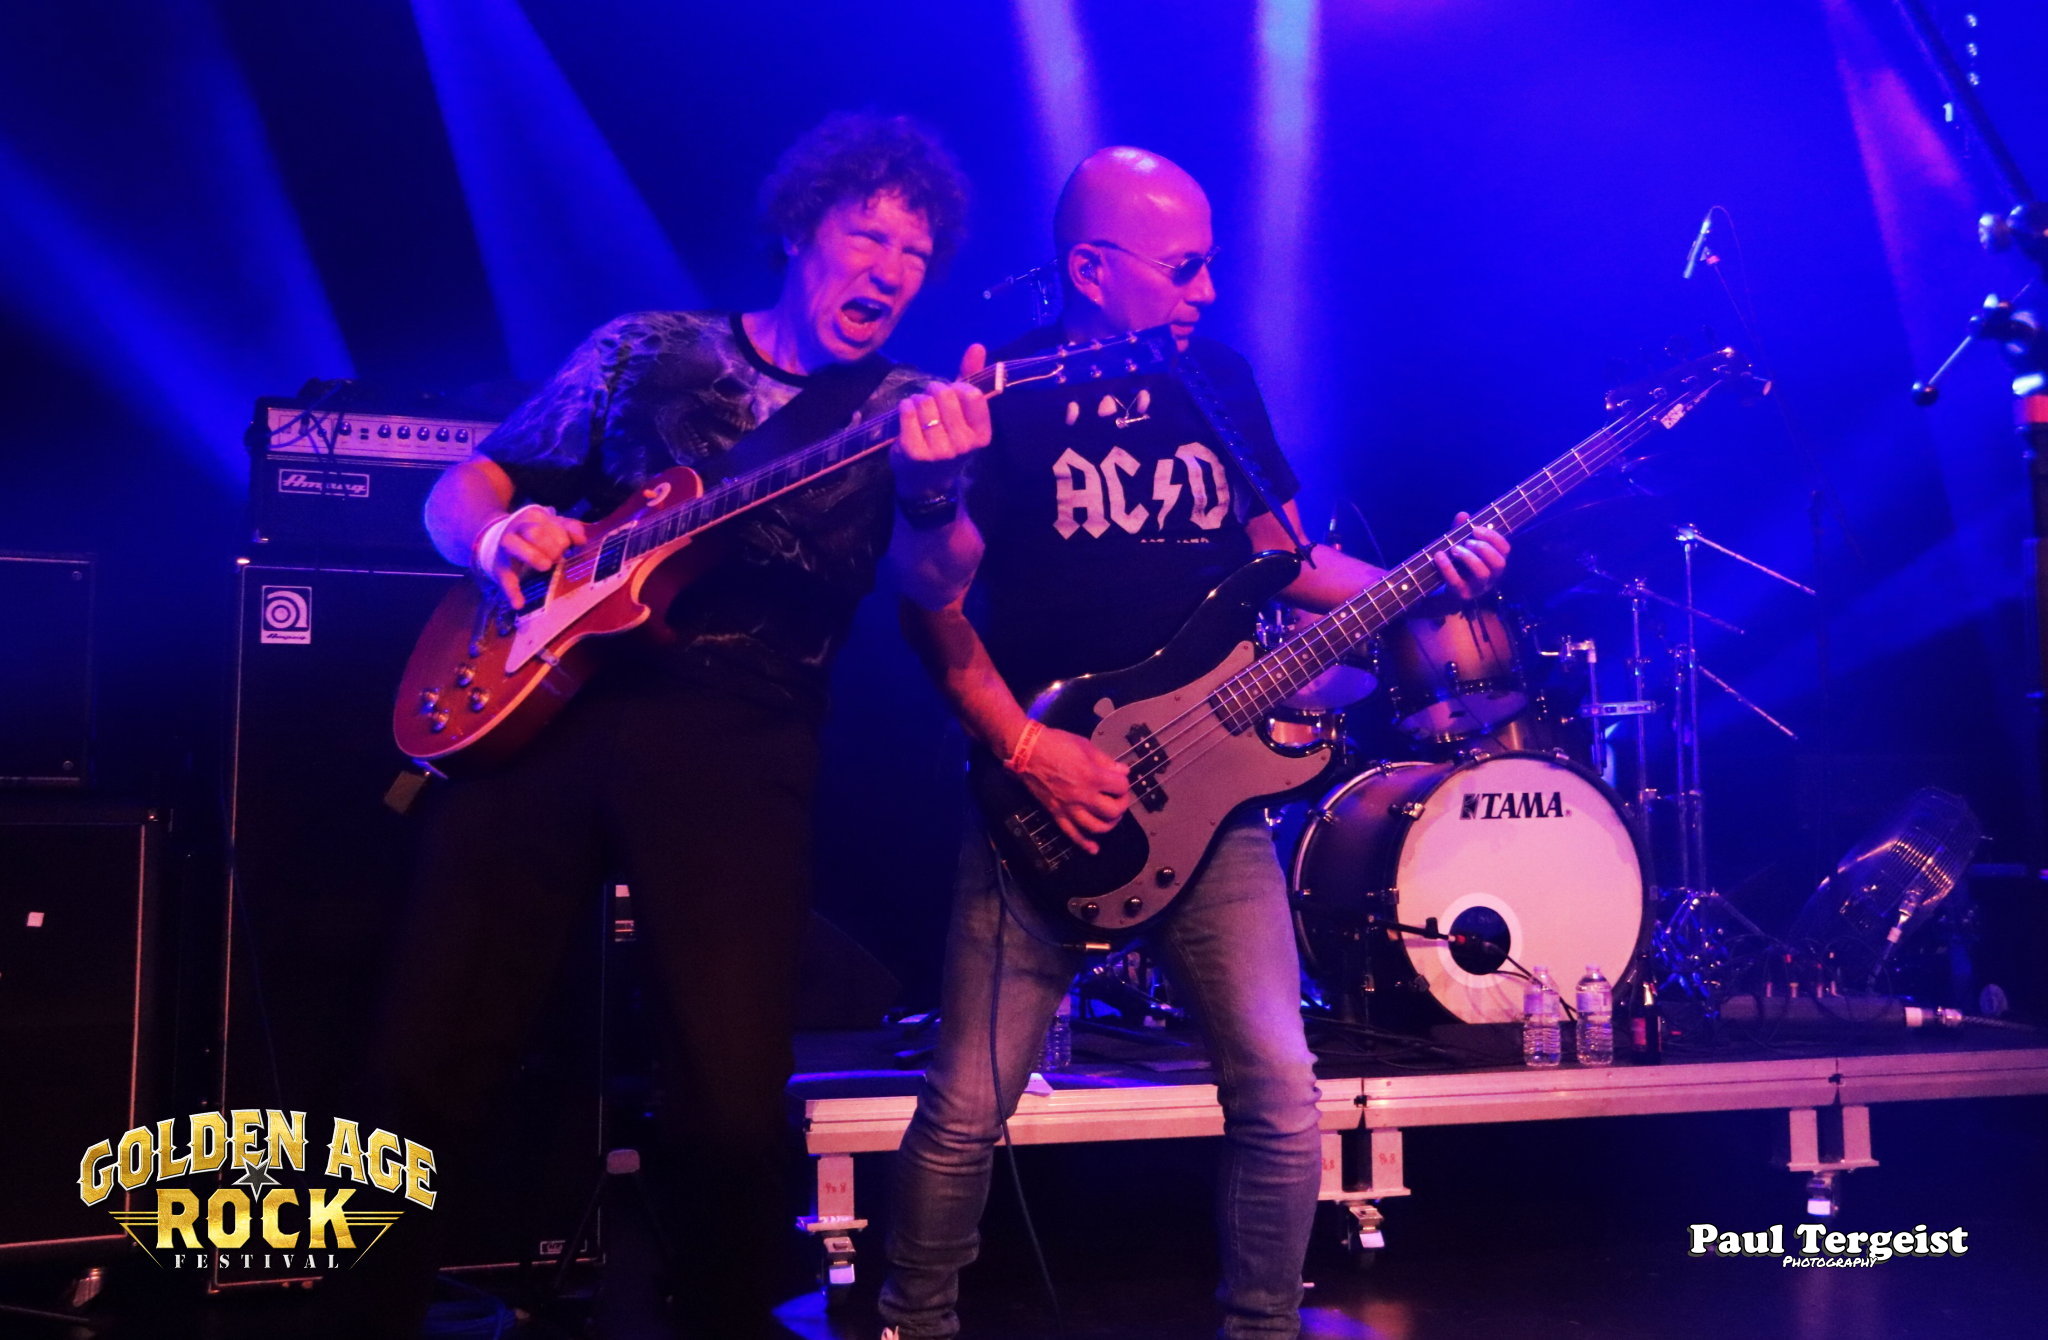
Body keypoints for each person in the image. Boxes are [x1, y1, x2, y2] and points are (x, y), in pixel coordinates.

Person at [372, 112, 988, 1338]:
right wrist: (499, 536)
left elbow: (936, 583)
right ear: (798, 230)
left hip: (741, 737)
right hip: (550, 708)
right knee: (429, 1049)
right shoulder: (647, 350)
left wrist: (935, 491)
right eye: (869, 235)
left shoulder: (910, 405)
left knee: (728, 1090)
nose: (890, 269)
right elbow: (465, 485)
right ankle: (363, 1307)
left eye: (915, 254)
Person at [878, 146, 1509, 1339]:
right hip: (1049, 790)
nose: (1207, 290)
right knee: (965, 1104)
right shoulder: (1000, 391)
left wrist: (1430, 578)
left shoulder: (1214, 379)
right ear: (1090, 270)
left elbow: (1291, 560)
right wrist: (1024, 749)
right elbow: (929, 601)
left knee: (1278, 1087)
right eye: (1182, 267)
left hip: (1213, 800)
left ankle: (1260, 1324)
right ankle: (911, 1318)